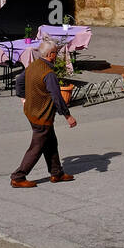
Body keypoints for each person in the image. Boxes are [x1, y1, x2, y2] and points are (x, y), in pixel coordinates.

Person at [10, 36, 77, 188]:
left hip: (31, 111)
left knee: (51, 142)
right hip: (42, 116)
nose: (57, 54)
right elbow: (57, 97)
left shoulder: (33, 65)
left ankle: (57, 173)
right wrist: (68, 116)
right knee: (37, 147)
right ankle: (18, 177)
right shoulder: (49, 74)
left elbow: (19, 81)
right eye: (56, 52)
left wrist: (23, 97)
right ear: (50, 54)